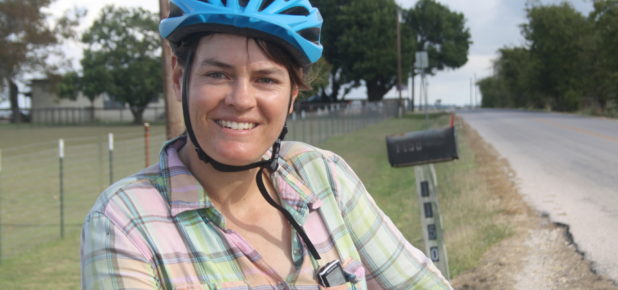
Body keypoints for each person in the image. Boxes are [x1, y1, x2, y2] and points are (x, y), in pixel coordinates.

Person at [81, 0, 451, 289]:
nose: (241, 99)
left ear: (292, 96)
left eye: (265, 79)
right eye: (217, 74)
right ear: (180, 80)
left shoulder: (323, 177)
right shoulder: (126, 221)